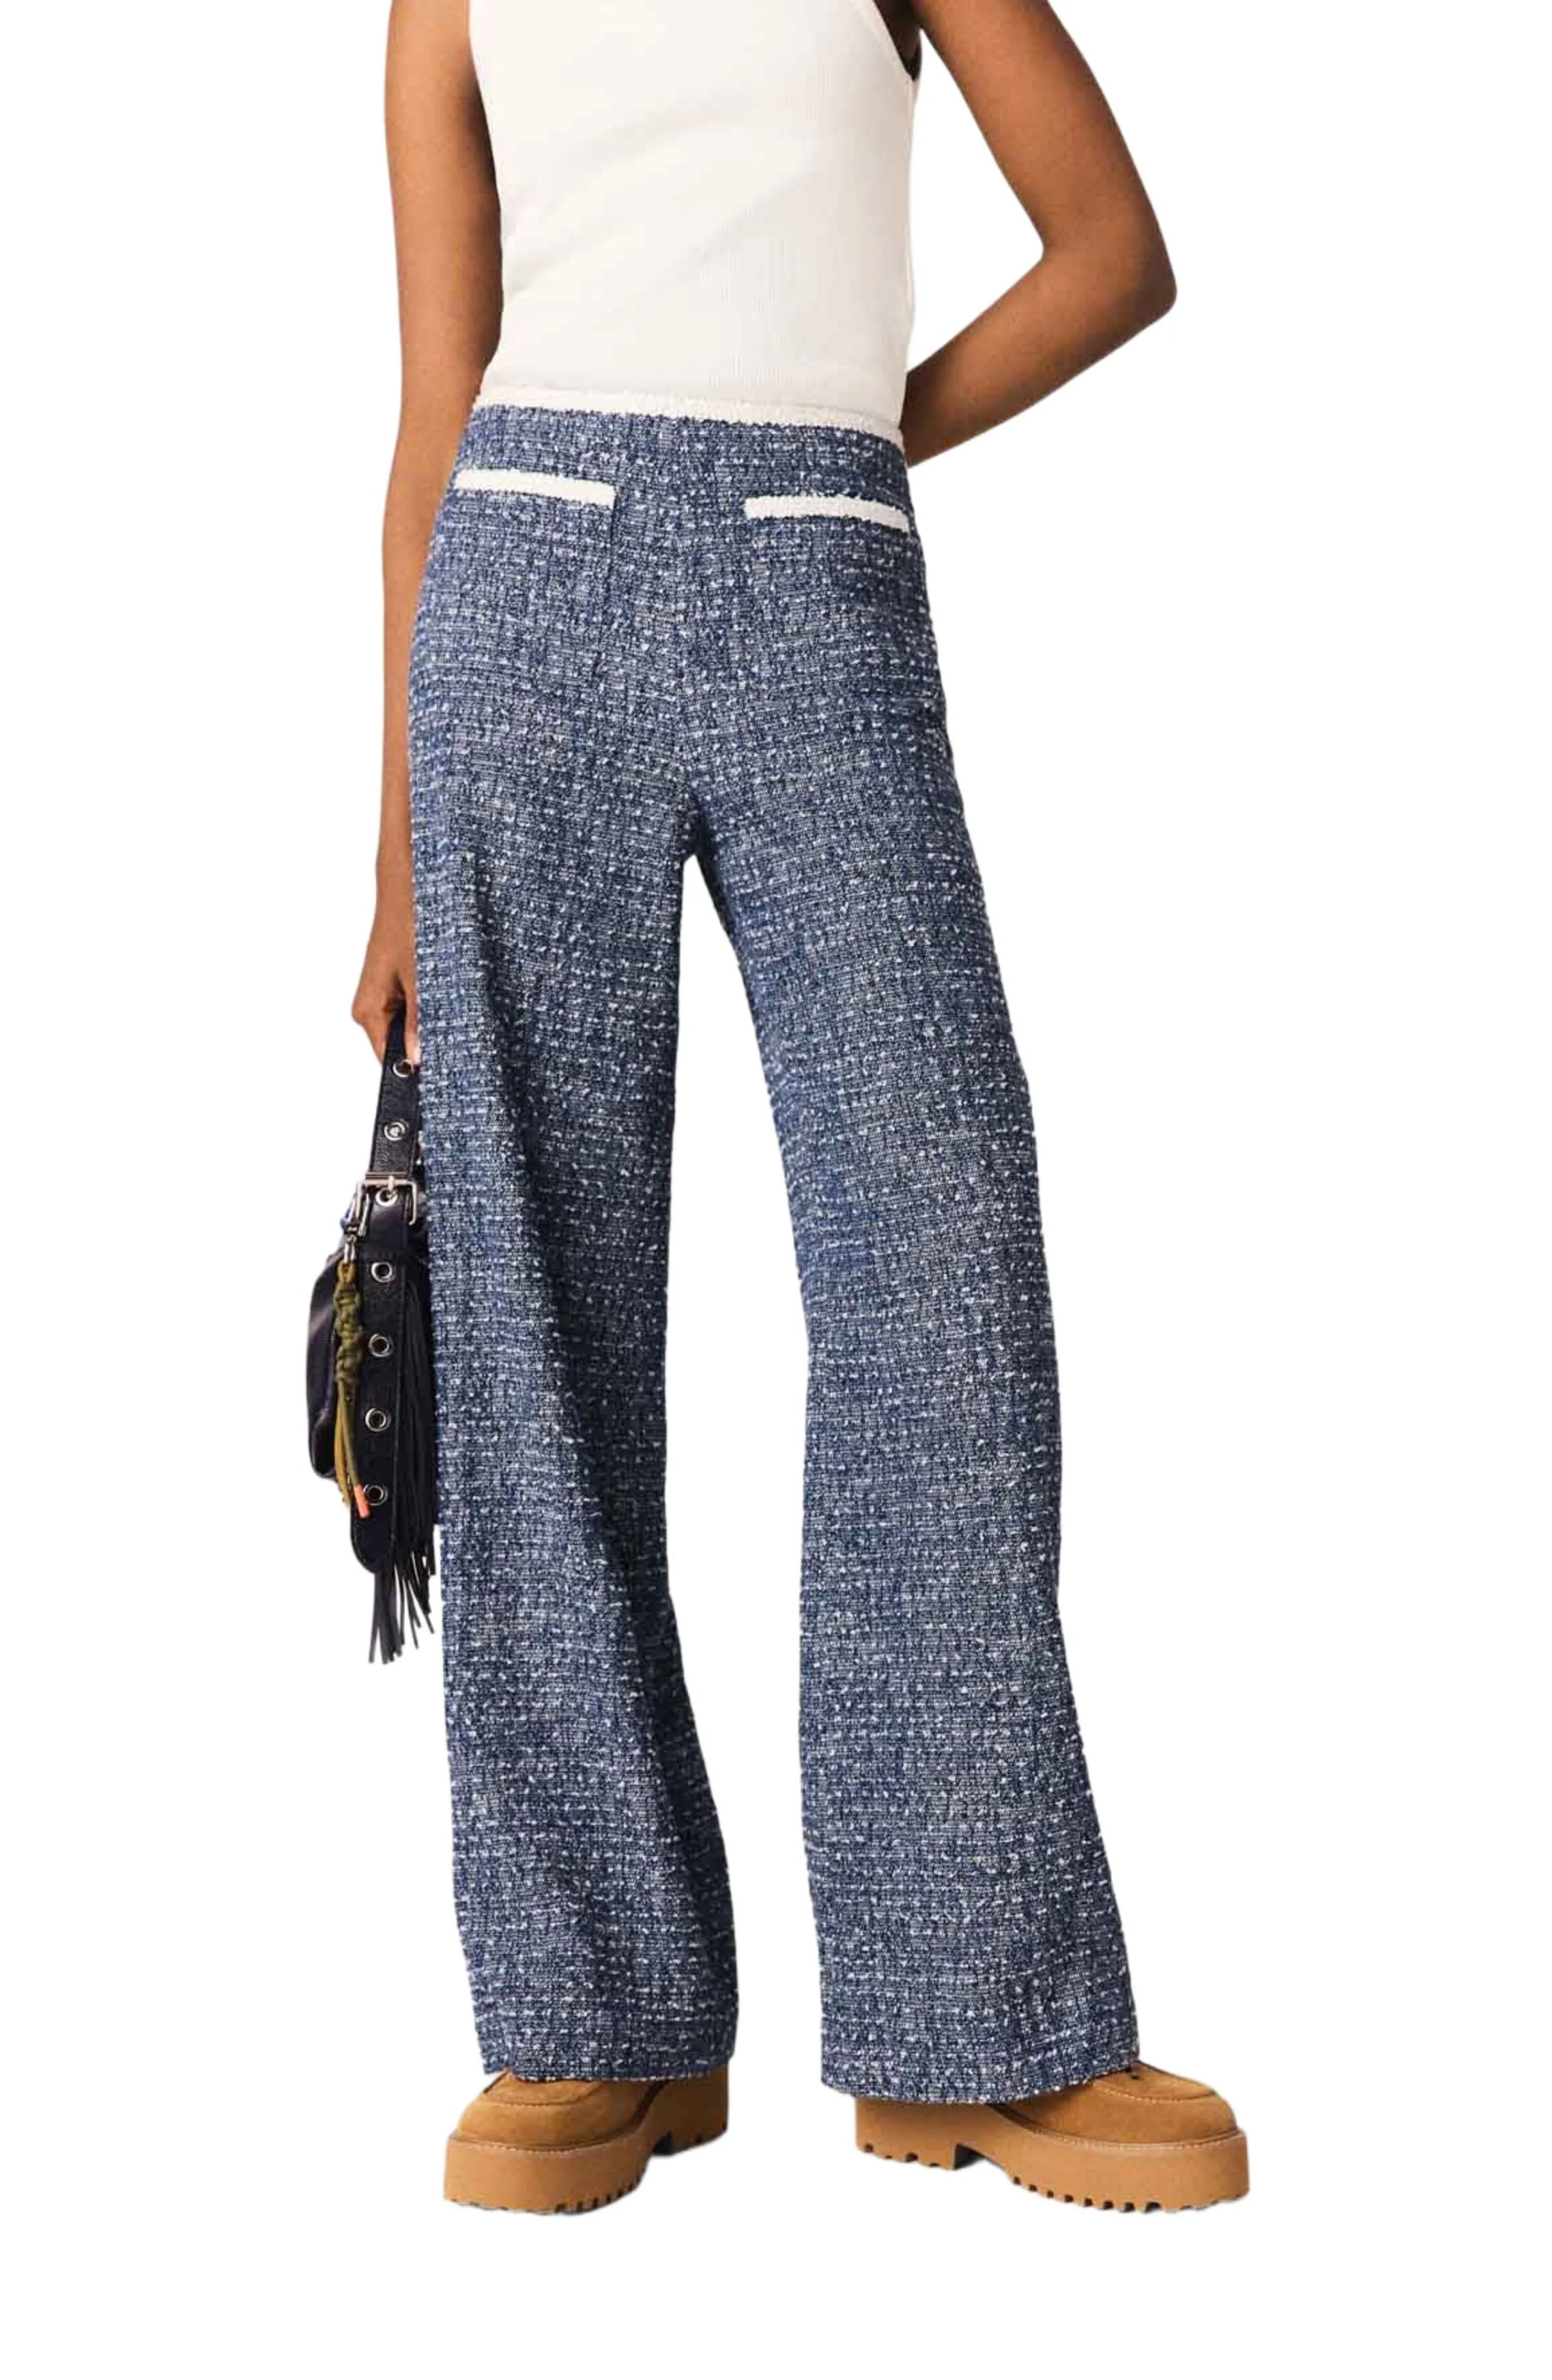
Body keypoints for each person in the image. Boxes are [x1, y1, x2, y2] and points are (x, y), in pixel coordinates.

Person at [353, 0, 1247, 2216]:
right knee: (539, 1327)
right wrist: (393, 843)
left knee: (944, 1274)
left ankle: (980, 2014)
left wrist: (860, 433)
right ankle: (597, 2018)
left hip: (822, 581)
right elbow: (433, 411)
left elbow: (1112, 249)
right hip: (521, 586)